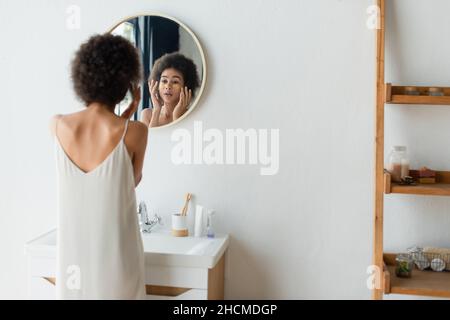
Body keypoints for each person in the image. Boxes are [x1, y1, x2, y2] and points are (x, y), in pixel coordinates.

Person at [48, 34, 148, 299]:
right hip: (117, 259)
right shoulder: (136, 132)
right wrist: (130, 112)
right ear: (125, 83)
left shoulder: (57, 124)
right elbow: (132, 181)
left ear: (83, 77)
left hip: (72, 259)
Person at [140, 52, 200, 127]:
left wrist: (176, 117)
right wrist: (156, 111)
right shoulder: (147, 114)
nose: (168, 86)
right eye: (164, 81)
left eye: (175, 82)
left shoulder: (193, 116)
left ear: (186, 86)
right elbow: (149, 139)